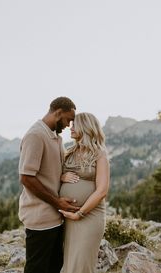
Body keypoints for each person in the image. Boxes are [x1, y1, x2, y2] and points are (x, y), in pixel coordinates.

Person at [18, 96, 79, 273]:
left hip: (55, 217)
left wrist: (62, 176)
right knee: (37, 268)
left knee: (54, 266)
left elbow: (47, 171)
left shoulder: (54, 136)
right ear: (58, 113)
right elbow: (27, 177)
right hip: (40, 218)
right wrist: (57, 202)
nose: (69, 125)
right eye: (68, 119)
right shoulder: (36, 135)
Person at [59, 112, 110, 273]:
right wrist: (62, 176)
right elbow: (52, 177)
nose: (70, 127)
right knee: (69, 263)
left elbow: (102, 190)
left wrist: (80, 213)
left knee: (82, 264)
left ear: (85, 127)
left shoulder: (99, 154)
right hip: (68, 218)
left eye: (75, 125)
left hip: (90, 216)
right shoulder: (69, 152)